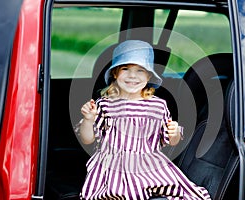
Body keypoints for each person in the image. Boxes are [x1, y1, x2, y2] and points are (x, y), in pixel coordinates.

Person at [76, 40, 211, 199]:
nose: (132, 75)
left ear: (148, 75)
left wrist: (173, 133)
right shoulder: (105, 104)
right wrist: (88, 119)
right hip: (113, 168)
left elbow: (171, 141)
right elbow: (87, 139)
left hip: (149, 166)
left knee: (187, 193)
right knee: (119, 194)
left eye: (140, 70)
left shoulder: (158, 106)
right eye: (125, 69)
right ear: (115, 73)